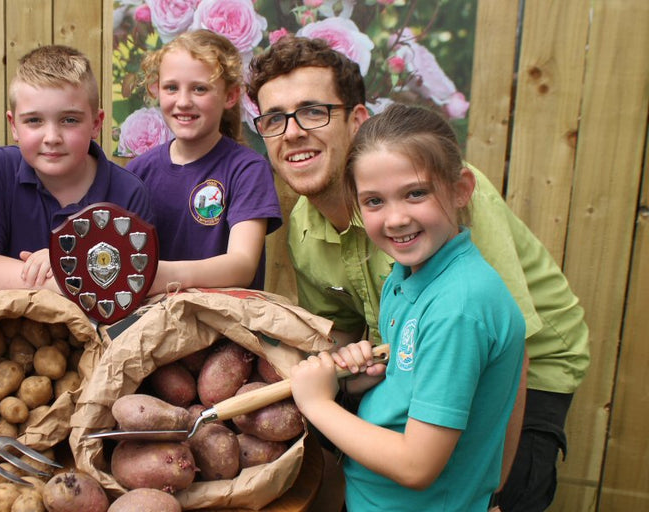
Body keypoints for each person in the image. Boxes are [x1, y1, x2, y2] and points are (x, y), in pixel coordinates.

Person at [247, 36, 590, 511]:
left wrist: (494, 494)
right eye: (274, 119)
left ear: (358, 120)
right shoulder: (304, 228)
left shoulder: (442, 203)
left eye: (312, 111)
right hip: (422, 354)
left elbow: (515, 354)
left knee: (505, 489)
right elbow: (345, 334)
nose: (293, 132)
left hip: (528, 366)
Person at [290, 103, 526, 511]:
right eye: (374, 201)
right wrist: (368, 381)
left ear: (461, 189)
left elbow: (417, 465)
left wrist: (316, 404)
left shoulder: (459, 307)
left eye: (416, 193)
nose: (396, 218)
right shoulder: (411, 276)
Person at [0, 45, 153, 291]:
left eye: (69, 120)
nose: (51, 137)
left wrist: (64, 265)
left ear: (96, 124)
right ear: (13, 125)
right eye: (34, 121)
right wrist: (67, 275)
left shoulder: (128, 192)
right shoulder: (0, 170)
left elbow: (134, 280)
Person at [126, 30, 282, 292]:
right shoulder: (138, 171)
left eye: (200, 88)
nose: (183, 102)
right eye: (171, 88)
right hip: (150, 321)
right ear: (156, 90)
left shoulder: (247, 169)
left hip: (224, 325)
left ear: (230, 96)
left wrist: (156, 274)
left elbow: (242, 266)